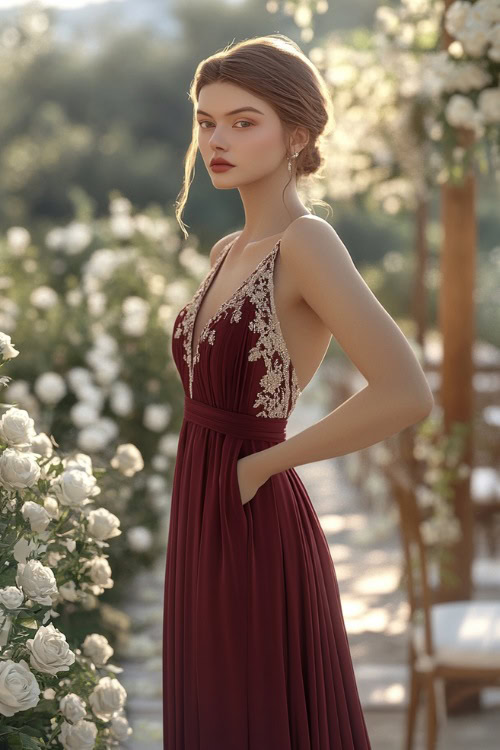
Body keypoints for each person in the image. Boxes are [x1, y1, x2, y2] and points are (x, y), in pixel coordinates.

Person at [164, 33, 434, 749]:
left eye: (242, 121)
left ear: (296, 136)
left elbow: (407, 392)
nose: (217, 139)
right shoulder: (227, 251)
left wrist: (261, 466)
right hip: (200, 507)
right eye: (206, 120)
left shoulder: (307, 244)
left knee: (254, 713)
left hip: (253, 513)